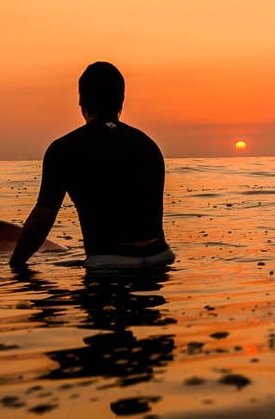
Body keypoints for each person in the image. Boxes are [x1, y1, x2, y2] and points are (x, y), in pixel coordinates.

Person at [10, 62, 174, 269]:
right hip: (160, 258)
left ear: (81, 100)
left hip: (108, 263)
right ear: (121, 100)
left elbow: (43, 217)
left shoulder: (64, 149)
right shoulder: (148, 145)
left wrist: (14, 266)